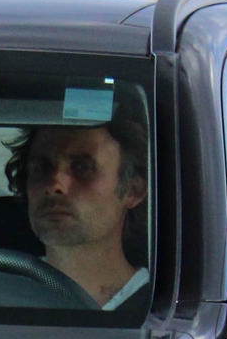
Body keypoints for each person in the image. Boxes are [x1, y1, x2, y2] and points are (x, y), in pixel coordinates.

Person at [9, 114, 149, 308]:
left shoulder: (164, 311)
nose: (55, 185)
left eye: (82, 167)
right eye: (42, 168)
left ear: (133, 190)